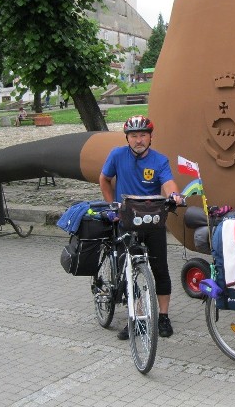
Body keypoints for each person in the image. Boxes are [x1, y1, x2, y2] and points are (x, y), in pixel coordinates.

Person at [99, 115, 183, 340]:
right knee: (128, 270)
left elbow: (168, 183)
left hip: (153, 221)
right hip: (126, 221)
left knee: (160, 269)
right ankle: (136, 317)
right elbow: (104, 179)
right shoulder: (117, 155)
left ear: (150, 137)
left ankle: (163, 316)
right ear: (127, 138)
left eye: (143, 135)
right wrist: (112, 205)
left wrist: (174, 195)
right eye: (134, 136)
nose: (138, 140)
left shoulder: (160, 160)